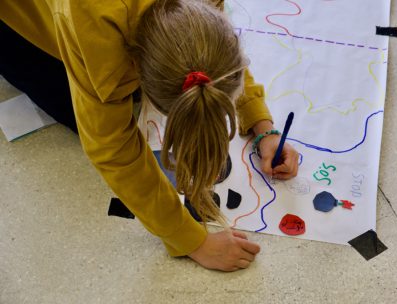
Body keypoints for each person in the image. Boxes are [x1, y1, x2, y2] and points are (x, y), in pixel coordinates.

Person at [0, 0, 299, 272]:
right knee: (79, 107)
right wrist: (190, 240)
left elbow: (215, 47)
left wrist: (259, 122)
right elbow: (111, 148)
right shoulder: (92, 20)